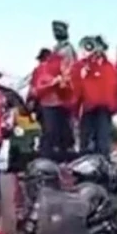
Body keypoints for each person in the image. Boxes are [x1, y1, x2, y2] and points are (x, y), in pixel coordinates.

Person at [30, 21, 77, 163]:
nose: (56, 32)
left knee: (62, 134)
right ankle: (47, 161)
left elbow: (70, 72)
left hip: (63, 99)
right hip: (48, 99)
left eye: (59, 29)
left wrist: (62, 81)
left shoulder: (68, 50)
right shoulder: (52, 54)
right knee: (49, 133)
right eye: (54, 29)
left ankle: (60, 161)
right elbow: (37, 84)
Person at [73, 35, 117, 157]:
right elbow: (75, 86)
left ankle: (102, 166)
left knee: (102, 144)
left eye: (99, 45)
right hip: (88, 108)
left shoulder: (110, 67)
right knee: (85, 142)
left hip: (104, 109)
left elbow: (116, 87)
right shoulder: (83, 65)